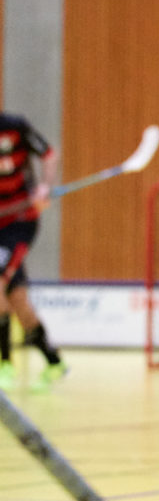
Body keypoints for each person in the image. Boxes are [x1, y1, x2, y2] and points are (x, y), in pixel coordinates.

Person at [0, 112, 65, 391]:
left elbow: (49, 154)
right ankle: (54, 362)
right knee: (18, 302)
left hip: (19, 223)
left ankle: (5, 365)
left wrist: (43, 188)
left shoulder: (15, 127)